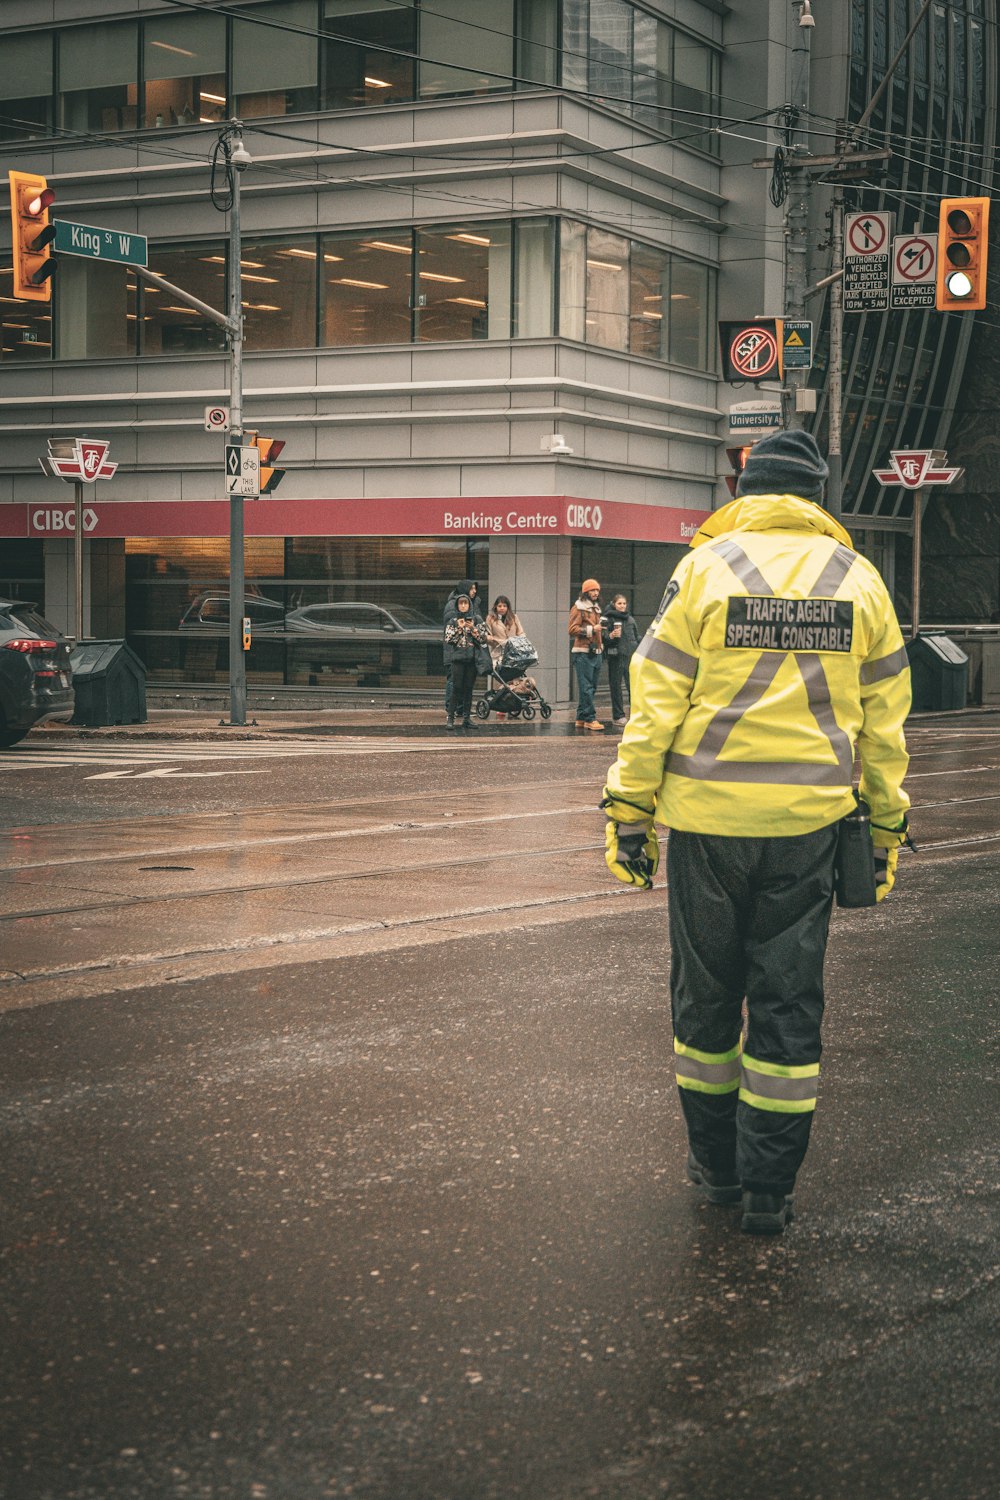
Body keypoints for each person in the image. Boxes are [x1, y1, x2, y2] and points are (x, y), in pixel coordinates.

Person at [601, 429, 912, 1236]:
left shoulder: (705, 569)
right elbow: (885, 728)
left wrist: (629, 811)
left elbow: (655, 706)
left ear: (747, 490)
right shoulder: (861, 580)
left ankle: (718, 1173)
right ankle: (771, 1189)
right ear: (815, 498)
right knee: (788, 1001)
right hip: (810, 828)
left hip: (707, 828)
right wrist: (883, 827)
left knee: (706, 1005)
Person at [443, 593, 487, 729]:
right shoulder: (453, 621)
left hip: (472, 659)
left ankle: (467, 718)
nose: (463, 606)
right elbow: (449, 640)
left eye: (465, 603)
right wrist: (460, 628)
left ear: (469, 605)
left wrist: (473, 629)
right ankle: (451, 718)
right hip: (458, 659)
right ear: (457, 605)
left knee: (469, 689)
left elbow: (483, 638)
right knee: (456, 688)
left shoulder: (477, 619)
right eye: (460, 603)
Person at [568, 579, 605, 730]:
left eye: (597, 590)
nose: (595, 593)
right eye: (592, 590)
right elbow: (572, 629)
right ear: (585, 592)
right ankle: (590, 718)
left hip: (595, 651)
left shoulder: (596, 608)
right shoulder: (578, 608)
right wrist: (591, 630)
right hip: (583, 652)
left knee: (592, 686)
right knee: (586, 687)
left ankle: (581, 717)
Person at [603, 592, 640, 725]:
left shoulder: (630, 619)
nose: (622, 606)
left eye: (624, 603)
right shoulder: (608, 619)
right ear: (614, 604)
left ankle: (635, 714)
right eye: (619, 603)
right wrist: (611, 635)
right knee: (616, 687)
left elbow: (636, 636)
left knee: (633, 686)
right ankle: (618, 716)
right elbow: (602, 637)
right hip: (616, 657)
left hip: (630, 657)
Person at [485, 595, 524, 720]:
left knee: (514, 678)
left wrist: (521, 642)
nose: (502, 608)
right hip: (498, 652)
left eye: (504, 606)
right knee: (500, 679)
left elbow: (521, 632)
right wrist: (495, 640)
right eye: (499, 605)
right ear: (496, 607)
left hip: (513, 653)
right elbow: (487, 636)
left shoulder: (514, 618)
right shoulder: (491, 619)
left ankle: (513, 703)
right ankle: (500, 705)